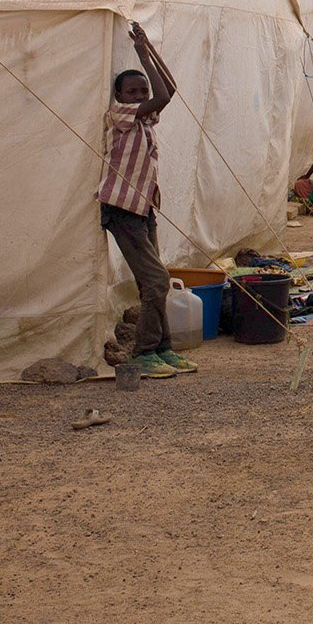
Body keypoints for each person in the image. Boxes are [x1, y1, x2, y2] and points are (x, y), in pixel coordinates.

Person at [98, 23, 195, 379]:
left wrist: (149, 48)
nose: (139, 96)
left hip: (142, 209)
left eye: (142, 90)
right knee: (157, 281)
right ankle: (142, 352)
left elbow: (169, 89)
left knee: (152, 283)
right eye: (132, 91)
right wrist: (141, 53)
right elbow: (163, 97)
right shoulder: (119, 117)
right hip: (122, 210)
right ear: (119, 96)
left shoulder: (144, 122)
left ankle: (162, 349)